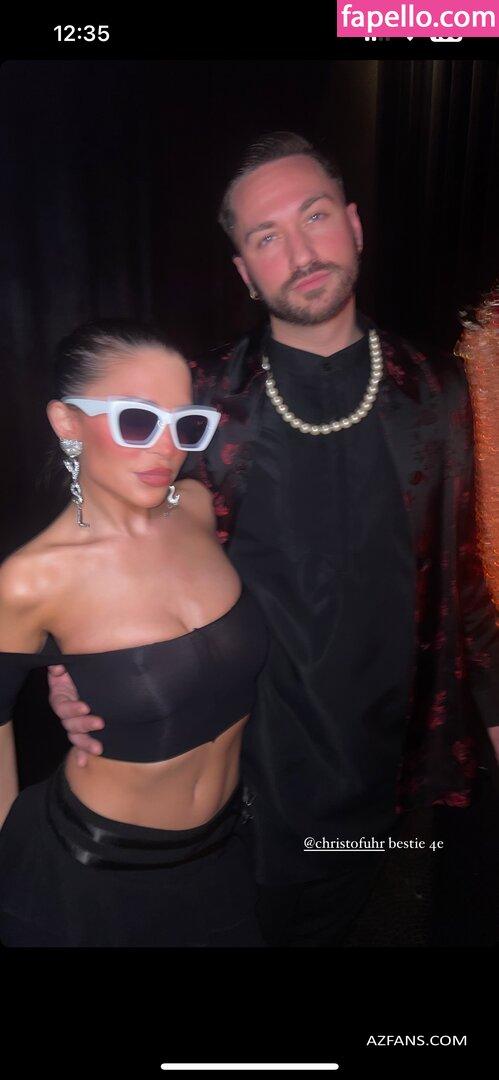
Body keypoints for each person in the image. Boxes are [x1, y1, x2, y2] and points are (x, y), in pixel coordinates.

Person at [48, 133, 499, 947]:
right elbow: (109, 542)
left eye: (314, 217)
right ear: (245, 273)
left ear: (353, 226)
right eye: (266, 237)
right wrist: (73, 669)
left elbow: (463, 581)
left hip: (385, 769)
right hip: (240, 778)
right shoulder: (199, 402)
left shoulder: (439, 389)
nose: (299, 252)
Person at [0, 320, 269, 947]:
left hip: (221, 852)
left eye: (185, 424)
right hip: (94, 874)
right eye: (139, 420)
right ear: (68, 422)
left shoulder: (196, 507)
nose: (167, 448)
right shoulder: (29, 582)